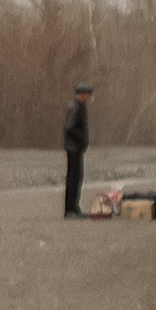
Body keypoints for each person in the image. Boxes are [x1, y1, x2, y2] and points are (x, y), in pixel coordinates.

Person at [63, 81, 93, 218]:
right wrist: (81, 138)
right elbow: (69, 127)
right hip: (73, 148)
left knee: (77, 178)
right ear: (82, 94)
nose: (89, 97)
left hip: (76, 148)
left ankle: (74, 208)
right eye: (87, 94)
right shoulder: (75, 107)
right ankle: (70, 210)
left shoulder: (79, 106)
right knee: (73, 179)